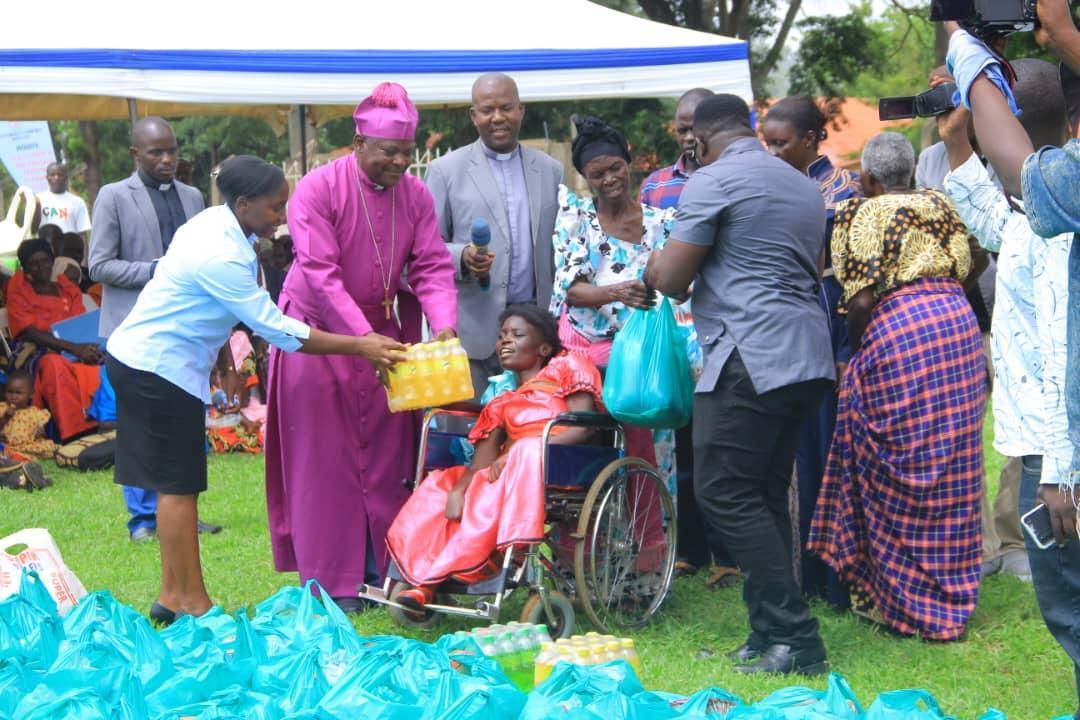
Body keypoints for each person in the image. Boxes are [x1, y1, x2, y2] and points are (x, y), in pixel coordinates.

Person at [105, 155, 398, 623]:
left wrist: (222, 362)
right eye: (273, 207)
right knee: (180, 489)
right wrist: (360, 345)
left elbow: (198, 303)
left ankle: (169, 596)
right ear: (242, 203)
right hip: (157, 370)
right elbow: (276, 329)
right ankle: (195, 605)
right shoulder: (220, 253)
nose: (281, 216)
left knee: (170, 487)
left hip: (144, 360)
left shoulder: (212, 225)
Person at [646, 94, 834, 676]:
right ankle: (768, 633)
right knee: (762, 494)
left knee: (724, 491)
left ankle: (796, 637)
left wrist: (654, 265)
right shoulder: (802, 183)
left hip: (749, 354)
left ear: (698, 142)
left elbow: (673, 280)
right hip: (805, 353)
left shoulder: (712, 180)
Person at [265, 82, 458, 614]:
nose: (401, 162)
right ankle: (333, 582)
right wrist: (360, 341)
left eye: (406, 152)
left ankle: (385, 569)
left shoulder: (415, 194)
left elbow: (431, 264)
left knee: (388, 457)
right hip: (319, 338)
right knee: (324, 463)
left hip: (382, 336)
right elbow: (320, 275)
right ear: (358, 144)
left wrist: (442, 324)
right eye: (389, 152)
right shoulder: (316, 189)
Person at [945, 11, 1080, 712]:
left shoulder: (1064, 219)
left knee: (1073, 613)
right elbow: (997, 226)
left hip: (1065, 464)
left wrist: (1062, 474)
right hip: (1044, 453)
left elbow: (1065, 352)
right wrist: (961, 145)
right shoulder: (1040, 214)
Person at [807, 132, 987, 641]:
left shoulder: (856, 214)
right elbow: (982, 258)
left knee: (897, 470)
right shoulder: (941, 202)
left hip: (899, 333)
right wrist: (944, 292)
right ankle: (954, 594)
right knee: (951, 465)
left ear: (866, 178)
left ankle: (905, 604)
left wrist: (861, 350)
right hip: (956, 328)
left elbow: (859, 302)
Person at [386, 306, 602, 609]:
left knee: (506, 472)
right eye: (501, 336)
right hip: (508, 471)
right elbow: (483, 462)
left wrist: (520, 452)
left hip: (560, 464)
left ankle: (433, 579)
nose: (505, 342)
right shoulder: (503, 401)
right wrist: (459, 491)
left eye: (517, 335)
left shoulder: (569, 366)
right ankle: (424, 583)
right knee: (440, 488)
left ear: (544, 347)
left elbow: (583, 427)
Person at [548, 115, 691, 499]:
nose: (609, 178)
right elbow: (572, 290)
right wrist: (619, 293)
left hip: (648, 355)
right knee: (592, 454)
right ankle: (596, 540)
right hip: (590, 356)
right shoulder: (576, 217)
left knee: (653, 449)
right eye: (597, 174)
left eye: (615, 168)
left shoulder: (663, 221)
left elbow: (680, 289)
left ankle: (652, 545)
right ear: (585, 177)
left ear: (628, 161)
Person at [89, 116, 210, 543]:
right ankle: (142, 519)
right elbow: (98, 264)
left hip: (183, 328)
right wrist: (156, 271)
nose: (166, 160)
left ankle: (180, 512)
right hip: (133, 330)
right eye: (156, 152)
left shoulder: (194, 197)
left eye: (172, 151)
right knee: (139, 425)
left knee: (184, 421)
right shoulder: (114, 196)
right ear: (135, 154)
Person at [760, 96, 862, 604]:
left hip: (827, 324)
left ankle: (833, 579)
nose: (773, 152)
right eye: (767, 144)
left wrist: (845, 349)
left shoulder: (842, 190)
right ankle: (800, 575)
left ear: (811, 139)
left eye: (782, 143)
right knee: (794, 457)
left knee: (825, 457)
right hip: (785, 329)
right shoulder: (775, 186)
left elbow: (852, 279)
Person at [637, 87, 736, 588]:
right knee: (679, 445)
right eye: (681, 127)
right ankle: (689, 549)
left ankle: (729, 553)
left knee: (719, 444)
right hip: (672, 334)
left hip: (723, 329)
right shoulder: (655, 188)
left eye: (697, 126)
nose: (689, 136)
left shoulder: (733, 179)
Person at [425, 73, 564, 400]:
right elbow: (423, 251)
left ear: (521, 110)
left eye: (506, 107)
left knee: (532, 430)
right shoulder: (445, 171)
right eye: (487, 110)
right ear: (474, 116)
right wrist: (462, 257)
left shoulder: (550, 169)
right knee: (472, 436)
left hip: (536, 332)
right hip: (476, 331)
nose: (498, 117)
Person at [7, 239, 102, 441]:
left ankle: (103, 421)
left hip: (71, 345)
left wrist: (82, 347)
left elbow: (78, 323)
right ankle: (74, 431)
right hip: (34, 349)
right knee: (54, 364)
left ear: (52, 261)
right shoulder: (19, 287)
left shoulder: (67, 288)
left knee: (100, 356)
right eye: (34, 263)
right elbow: (31, 332)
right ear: (25, 268)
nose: (41, 267)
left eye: (45, 261)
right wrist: (74, 348)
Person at [0, 369, 57, 460]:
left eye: (18, 393)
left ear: (31, 394)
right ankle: (13, 455)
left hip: (27, 445)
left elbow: (41, 433)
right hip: (6, 444)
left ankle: (17, 456)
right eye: (10, 392)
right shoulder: (2, 408)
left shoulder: (35, 413)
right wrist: (5, 417)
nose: (13, 397)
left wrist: (40, 432)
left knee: (47, 447)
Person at [35, 163, 91, 249]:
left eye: (59, 174)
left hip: (69, 251)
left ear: (66, 178)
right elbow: (32, 229)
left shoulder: (77, 202)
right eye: (52, 175)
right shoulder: (38, 200)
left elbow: (82, 234)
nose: (56, 177)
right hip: (45, 253)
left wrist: (84, 261)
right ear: (47, 178)